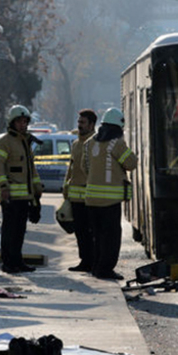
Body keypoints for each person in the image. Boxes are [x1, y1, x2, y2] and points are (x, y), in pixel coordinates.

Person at [82, 107, 136, 280]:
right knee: (111, 238)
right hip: (110, 202)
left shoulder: (89, 143)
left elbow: (84, 168)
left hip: (91, 200)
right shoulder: (116, 144)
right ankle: (105, 269)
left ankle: (97, 267)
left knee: (97, 237)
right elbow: (132, 163)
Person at [0, 105, 43, 274]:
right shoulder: (4, 142)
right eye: (19, 121)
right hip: (10, 197)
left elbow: (31, 169)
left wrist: (37, 189)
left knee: (20, 231)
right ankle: (8, 263)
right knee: (9, 231)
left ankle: (17, 261)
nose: (23, 125)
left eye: (25, 121)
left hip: (24, 197)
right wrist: (3, 186)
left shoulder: (24, 142)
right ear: (12, 123)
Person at [62, 109, 97, 272]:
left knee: (92, 232)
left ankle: (94, 261)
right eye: (79, 122)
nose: (79, 125)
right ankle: (85, 261)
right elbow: (71, 167)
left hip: (91, 198)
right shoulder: (76, 144)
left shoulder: (96, 144)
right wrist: (66, 187)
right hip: (76, 198)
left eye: (83, 122)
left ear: (91, 125)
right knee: (80, 232)